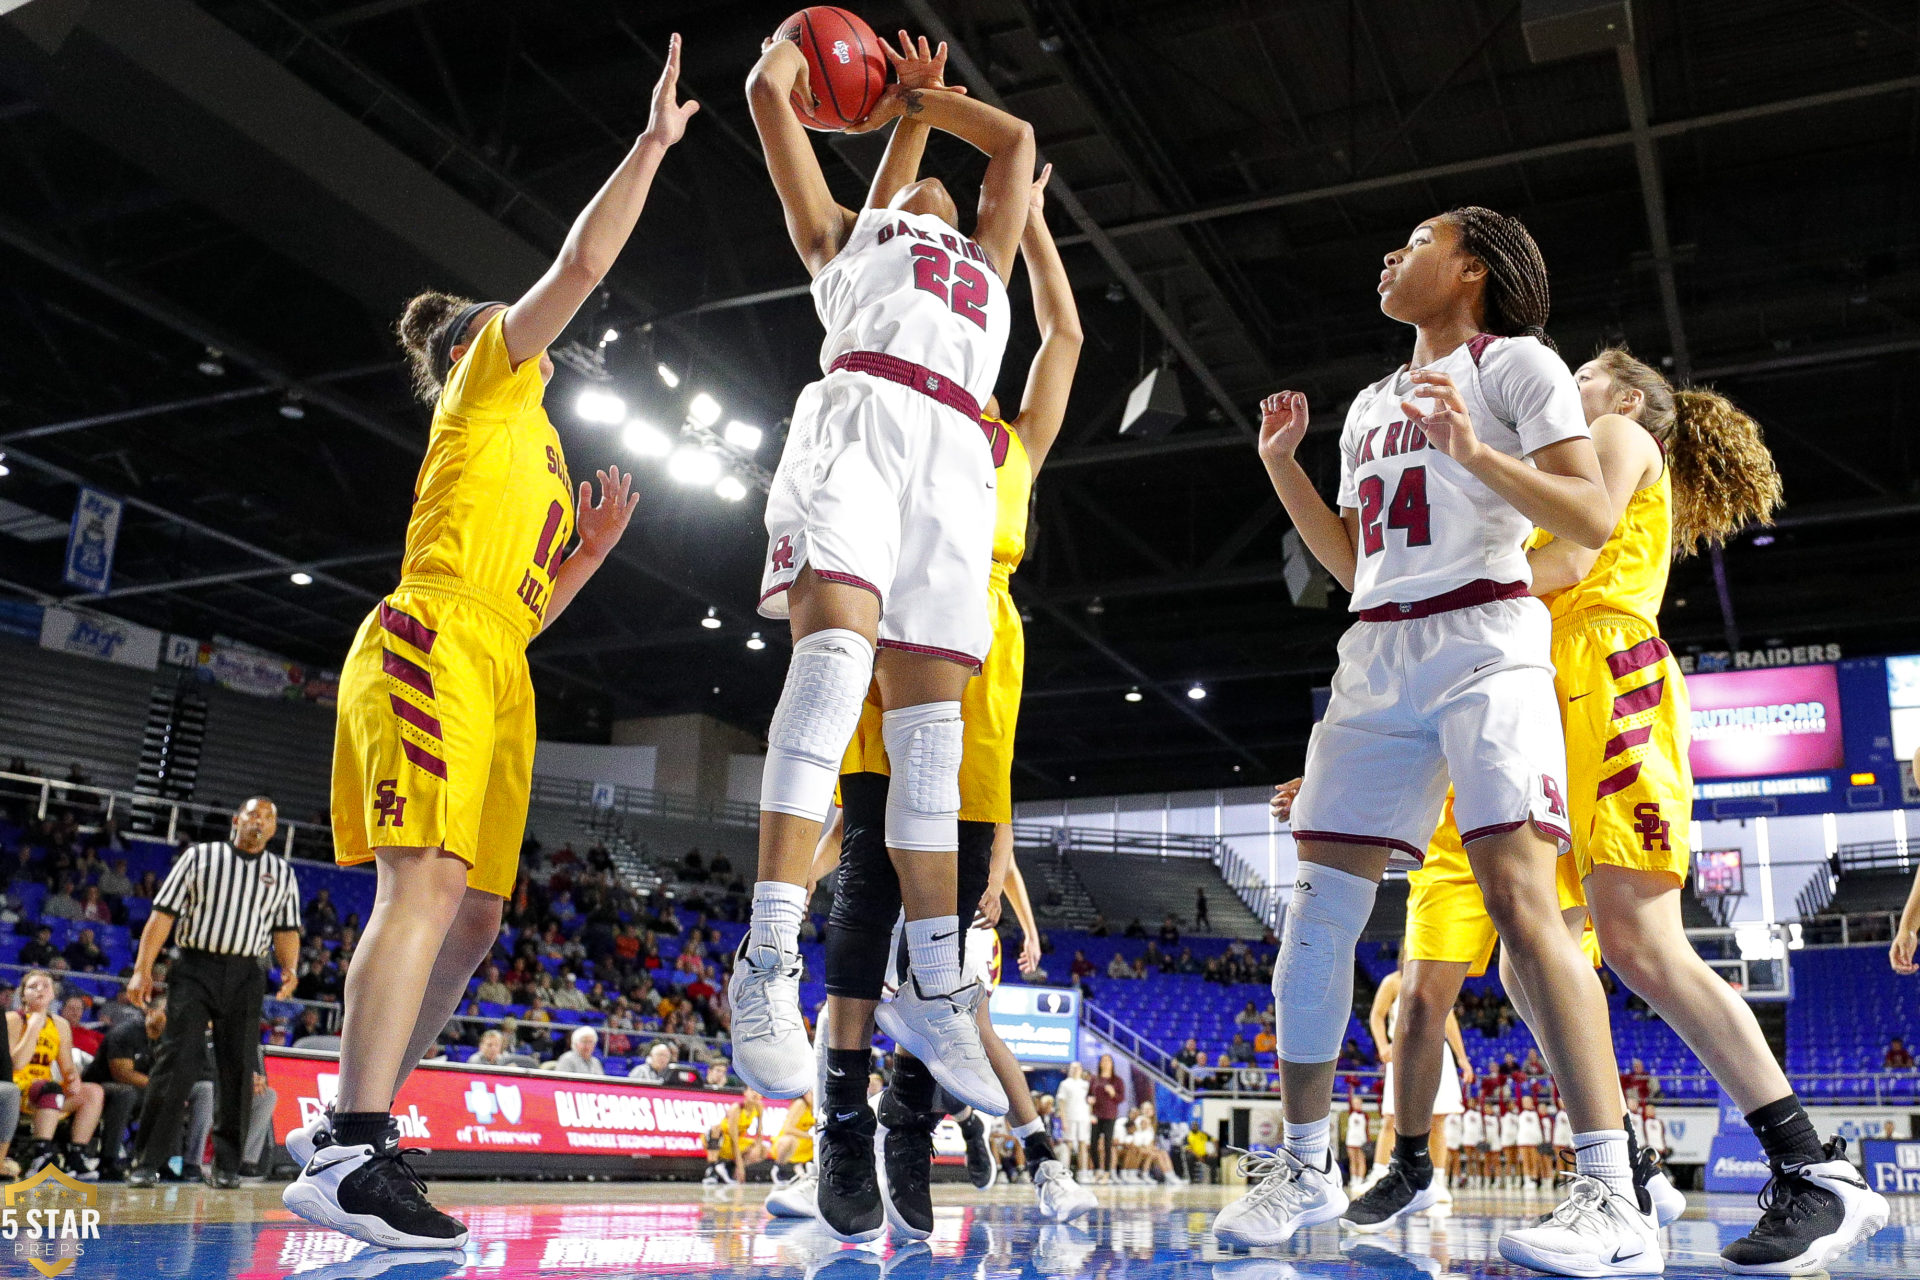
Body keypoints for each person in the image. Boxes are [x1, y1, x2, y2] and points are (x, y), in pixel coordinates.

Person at [280, 41, 695, 1251]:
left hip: (498, 655)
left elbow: (524, 618)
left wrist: (588, 556)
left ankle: (351, 1130)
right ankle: (353, 1147)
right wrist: (652, 146)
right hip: (429, 634)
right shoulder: (486, 384)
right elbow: (583, 261)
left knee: (473, 919)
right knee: (423, 883)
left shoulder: (548, 465)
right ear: (469, 347)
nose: (529, 323)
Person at [1212, 208, 1654, 1275]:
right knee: (1317, 909)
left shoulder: (1522, 368)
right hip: (1376, 649)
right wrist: (1284, 466)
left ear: (1471, 268)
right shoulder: (1368, 403)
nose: (1387, 256)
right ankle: (1307, 1159)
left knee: (1518, 898)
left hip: (1487, 635)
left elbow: (1590, 516)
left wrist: (1471, 451)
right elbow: (1355, 561)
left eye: (1413, 241)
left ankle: (1611, 1191)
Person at [793, 36, 1085, 1241]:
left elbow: (1061, 337)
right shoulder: (893, 378)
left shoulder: (1003, 435)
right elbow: (872, 222)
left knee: (956, 887)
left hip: (984, 635)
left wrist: (1032, 220)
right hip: (894, 586)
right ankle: (846, 1115)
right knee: (870, 861)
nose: (942, 222)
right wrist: (913, 126)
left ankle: (913, 1115)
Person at [733, 27, 1036, 1126]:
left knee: (931, 742)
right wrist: (887, 109)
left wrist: (925, 99)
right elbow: (771, 87)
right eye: (923, 195)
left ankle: (941, 980)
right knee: (828, 669)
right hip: (859, 420)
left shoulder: (991, 268)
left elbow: (1015, 142)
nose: (945, 204)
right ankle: (766, 956)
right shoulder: (845, 242)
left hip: (956, 451)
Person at [1525, 348, 1885, 1272]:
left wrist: (1423, 597)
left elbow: (1566, 560)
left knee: (1641, 942)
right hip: (1541, 687)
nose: (1567, 386)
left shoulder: (1613, 433)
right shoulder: (1569, 453)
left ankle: (1816, 1172)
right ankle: (1628, 1174)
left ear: (1630, 396)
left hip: (1607, 677)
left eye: (1583, 374)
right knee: (1532, 950)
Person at [125, 798, 300, 1190]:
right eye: (254, 814)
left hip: (246, 974)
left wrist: (289, 969)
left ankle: (227, 1166)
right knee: (177, 1061)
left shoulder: (281, 872)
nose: (260, 822)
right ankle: (146, 1162)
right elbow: (162, 914)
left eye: (269, 817)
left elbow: (286, 929)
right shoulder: (200, 856)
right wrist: (141, 970)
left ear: (274, 830)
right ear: (237, 820)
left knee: (238, 1068)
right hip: (194, 966)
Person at [9, 969, 103, 1177]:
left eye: (46, 986)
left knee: (93, 1092)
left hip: (45, 1091)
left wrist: (73, 1080)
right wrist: (33, 1026)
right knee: (50, 1088)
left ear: (53, 995)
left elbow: (67, 1067)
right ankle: (40, 1156)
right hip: (16, 1088)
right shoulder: (13, 1019)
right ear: (23, 994)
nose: (40, 990)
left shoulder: (59, 1025)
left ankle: (75, 1155)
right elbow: (16, 1063)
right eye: (33, 986)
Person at [83, 991, 165, 1181]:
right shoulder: (126, 1032)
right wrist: (160, 1086)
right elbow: (122, 1074)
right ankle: (108, 1160)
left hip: (141, 1088)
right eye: (166, 1010)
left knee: (170, 1099)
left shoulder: (169, 1037)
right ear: (150, 1012)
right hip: (101, 1085)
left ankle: (160, 1162)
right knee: (126, 1094)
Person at [704, 1088, 769, 1186]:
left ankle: (728, 1167)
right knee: (715, 1129)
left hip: (737, 1141)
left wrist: (757, 1148)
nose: (755, 1093)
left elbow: (759, 1133)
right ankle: (712, 1170)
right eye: (752, 1090)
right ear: (745, 1093)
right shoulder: (736, 1108)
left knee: (763, 1149)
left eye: (758, 1091)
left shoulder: (759, 1107)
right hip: (723, 1140)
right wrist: (740, 1166)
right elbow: (733, 1139)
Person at [1089, 1054, 1124, 1184]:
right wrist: (1089, 1100)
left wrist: (1113, 1093)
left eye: (1108, 1061)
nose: (1105, 1063)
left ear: (1112, 1064)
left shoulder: (1117, 1080)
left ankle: (1107, 1173)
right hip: (1096, 1115)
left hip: (1109, 1115)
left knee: (1107, 1144)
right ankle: (1097, 1170)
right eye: (1103, 1061)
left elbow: (1121, 1098)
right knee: (1093, 1144)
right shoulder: (1094, 1079)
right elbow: (1088, 1095)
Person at [1056, 1060, 1091, 1178]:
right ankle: (1065, 1172)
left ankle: (1083, 1172)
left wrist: (1089, 1116)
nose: (1076, 1070)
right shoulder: (1065, 1084)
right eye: (1073, 1068)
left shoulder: (1085, 1085)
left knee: (1083, 1144)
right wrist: (1063, 1120)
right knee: (1068, 1144)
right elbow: (1061, 1103)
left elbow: (1089, 1103)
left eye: (1078, 1068)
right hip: (1070, 1117)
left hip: (1083, 1118)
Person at [1344, 1094, 1370, 1189]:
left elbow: (1367, 1129)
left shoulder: (1365, 1115)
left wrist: (1367, 1140)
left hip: (1361, 1141)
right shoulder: (1351, 1113)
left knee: (1361, 1160)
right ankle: (1353, 1179)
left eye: (1359, 1103)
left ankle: (1360, 1179)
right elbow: (1349, 1096)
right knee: (1353, 1161)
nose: (1357, 1105)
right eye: (1355, 1103)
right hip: (1351, 1140)